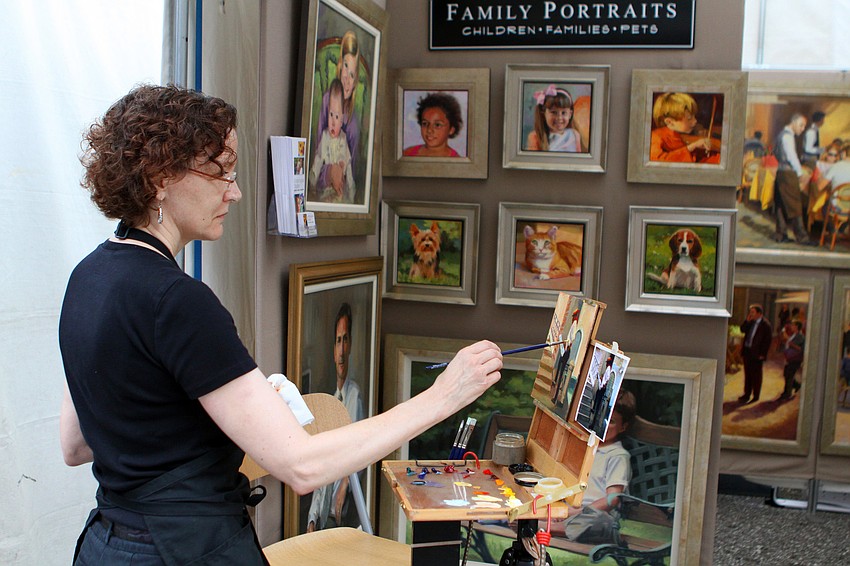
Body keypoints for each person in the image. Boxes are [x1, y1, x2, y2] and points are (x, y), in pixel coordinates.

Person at [59, 84, 503, 565]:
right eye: (221, 173)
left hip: (107, 546)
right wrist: (443, 396)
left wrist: (221, 418)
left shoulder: (87, 278)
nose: (236, 191)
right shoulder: (178, 302)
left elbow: (78, 443)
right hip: (185, 551)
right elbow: (302, 466)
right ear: (161, 177)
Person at [552, 390, 637, 543]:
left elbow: (612, 499)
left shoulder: (617, 455)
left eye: (611, 422)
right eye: (601, 418)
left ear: (623, 427)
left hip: (598, 514)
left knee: (598, 521)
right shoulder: (584, 449)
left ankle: (546, 527)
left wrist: (578, 512)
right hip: (569, 509)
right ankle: (550, 523)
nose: (603, 425)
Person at [307, 303, 363, 532]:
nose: (341, 351)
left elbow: (361, 449)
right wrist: (312, 517)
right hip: (323, 512)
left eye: (345, 340)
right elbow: (322, 465)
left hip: (341, 514)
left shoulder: (355, 396)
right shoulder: (330, 402)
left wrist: (344, 486)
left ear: (350, 346)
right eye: (338, 340)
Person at [312, 30, 360, 203]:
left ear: (355, 83)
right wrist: (329, 172)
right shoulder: (326, 101)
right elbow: (316, 156)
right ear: (340, 66)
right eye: (346, 66)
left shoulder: (353, 127)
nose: (347, 78)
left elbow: (351, 175)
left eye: (353, 74)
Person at [309, 79, 355, 203]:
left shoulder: (343, 138)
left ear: (342, 120)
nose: (333, 122)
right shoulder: (324, 137)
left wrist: (351, 191)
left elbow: (348, 165)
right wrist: (312, 181)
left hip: (340, 191)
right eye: (330, 115)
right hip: (325, 192)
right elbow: (318, 159)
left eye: (337, 117)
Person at [773, 113, 815, 244]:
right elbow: (791, 156)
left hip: (780, 172)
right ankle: (802, 237)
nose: (802, 129)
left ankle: (781, 235)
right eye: (801, 125)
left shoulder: (781, 134)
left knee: (780, 205)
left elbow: (775, 152)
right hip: (788, 174)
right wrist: (800, 173)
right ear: (794, 122)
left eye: (804, 126)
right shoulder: (787, 136)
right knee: (795, 204)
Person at [649, 92, 719, 164]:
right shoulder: (655, 136)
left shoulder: (684, 136)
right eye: (689, 118)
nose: (695, 121)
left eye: (694, 116)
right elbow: (658, 161)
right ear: (670, 122)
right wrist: (691, 147)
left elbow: (698, 159)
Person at [402, 92, 463, 157]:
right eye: (425, 123)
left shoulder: (456, 160)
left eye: (437, 125)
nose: (429, 130)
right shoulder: (408, 153)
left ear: (451, 130)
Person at [526, 84, 581, 152]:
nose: (559, 118)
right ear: (543, 114)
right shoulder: (535, 137)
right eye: (554, 112)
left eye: (563, 113)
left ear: (570, 114)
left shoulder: (574, 135)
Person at [739, 304, 773, 404]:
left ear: (759, 313)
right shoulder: (750, 322)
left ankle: (756, 395)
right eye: (750, 312)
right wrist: (747, 321)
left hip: (757, 354)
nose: (751, 314)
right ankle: (746, 394)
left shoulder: (766, 325)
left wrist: (763, 354)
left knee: (756, 375)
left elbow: (767, 341)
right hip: (747, 351)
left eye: (753, 312)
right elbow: (742, 330)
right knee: (747, 374)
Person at [777, 321, 805, 401]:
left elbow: (800, 349)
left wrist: (790, 343)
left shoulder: (800, 336)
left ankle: (787, 393)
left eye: (793, 325)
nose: (791, 326)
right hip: (789, 357)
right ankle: (796, 386)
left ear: (796, 327)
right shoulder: (793, 335)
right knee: (786, 374)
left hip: (795, 359)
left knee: (789, 375)